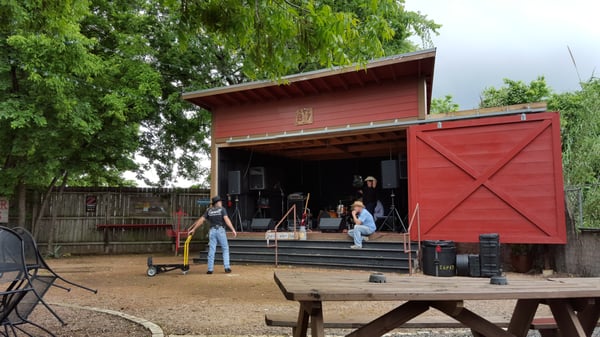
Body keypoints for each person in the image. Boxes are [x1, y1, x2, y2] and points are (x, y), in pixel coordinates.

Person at [188, 196, 237, 274]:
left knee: (212, 250)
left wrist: (194, 229)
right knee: (225, 249)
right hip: (220, 230)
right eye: (220, 201)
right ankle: (227, 267)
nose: (221, 202)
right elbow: (226, 219)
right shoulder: (222, 209)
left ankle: (210, 269)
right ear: (217, 203)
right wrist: (233, 229)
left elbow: (201, 220)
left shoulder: (209, 210)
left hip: (212, 231)